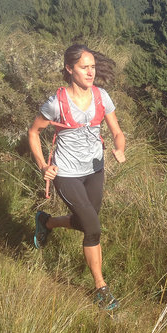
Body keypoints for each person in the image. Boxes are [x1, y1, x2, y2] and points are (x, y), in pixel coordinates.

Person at [28, 43, 126, 311]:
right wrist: (41, 166)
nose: (90, 72)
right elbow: (34, 132)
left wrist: (119, 148)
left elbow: (117, 131)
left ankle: (46, 223)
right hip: (67, 173)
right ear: (70, 69)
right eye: (84, 67)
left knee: (86, 223)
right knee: (93, 227)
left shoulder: (101, 97)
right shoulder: (56, 103)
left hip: (95, 170)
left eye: (93, 67)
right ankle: (101, 289)